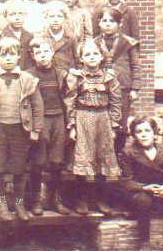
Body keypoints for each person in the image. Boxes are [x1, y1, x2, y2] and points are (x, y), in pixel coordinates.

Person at [0, 36, 44, 222]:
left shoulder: (29, 80)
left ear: (19, 57)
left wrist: (35, 130)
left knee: (19, 168)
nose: (8, 59)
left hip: (20, 130)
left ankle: (18, 202)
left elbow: (38, 106)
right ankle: (1, 203)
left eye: (13, 54)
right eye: (3, 55)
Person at [64, 40, 121, 215]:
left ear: (102, 56)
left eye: (95, 54)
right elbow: (70, 100)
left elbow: (116, 101)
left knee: (103, 156)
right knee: (84, 156)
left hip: (103, 118)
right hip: (83, 118)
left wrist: (113, 125)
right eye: (87, 54)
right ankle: (82, 200)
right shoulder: (76, 76)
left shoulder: (109, 77)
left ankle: (100, 199)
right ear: (81, 58)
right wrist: (72, 125)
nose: (92, 57)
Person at [119, 116, 163, 250]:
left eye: (147, 131)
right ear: (133, 135)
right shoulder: (128, 153)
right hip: (140, 193)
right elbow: (126, 181)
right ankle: (144, 241)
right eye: (139, 132)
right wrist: (145, 187)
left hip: (162, 193)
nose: (143, 135)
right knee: (143, 200)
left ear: (154, 133)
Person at [26, 39, 71, 215]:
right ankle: (36, 200)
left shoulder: (61, 74)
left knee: (57, 161)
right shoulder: (29, 75)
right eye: (38, 53)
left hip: (58, 118)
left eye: (45, 51)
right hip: (40, 120)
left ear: (52, 52)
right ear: (33, 56)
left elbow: (68, 97)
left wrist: (69, 122)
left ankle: (55, 198)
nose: (42, 55)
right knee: (38, 160)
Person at [94, 7, 141, 152]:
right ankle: (101, 156)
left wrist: (134, 88)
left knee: (120, 122)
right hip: (99, 88)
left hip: (122, 88)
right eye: (105, 21)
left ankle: (117, 154)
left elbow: (135, 65)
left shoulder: (128, 42)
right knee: (101, 121)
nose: (108, 24)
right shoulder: (94, 43)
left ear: (120, 24)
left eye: (112, 21)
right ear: (99, 23)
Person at [41, 0, 78, 71]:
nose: (55, 20)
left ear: (65, 18)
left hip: (66, 73)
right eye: (52, 16)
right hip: (47, 74)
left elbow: (76, 59)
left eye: (59, 16)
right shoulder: (41, 37)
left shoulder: (70, 37)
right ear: (46, 17)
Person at [1, 0, 34, 70]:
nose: (17, 18)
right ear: (5, 17)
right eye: (12, 14)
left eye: (21, 14)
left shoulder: (30, 36)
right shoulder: (1, 36)